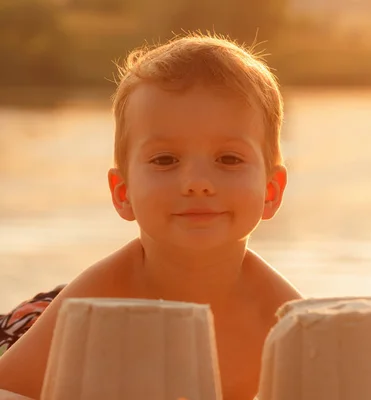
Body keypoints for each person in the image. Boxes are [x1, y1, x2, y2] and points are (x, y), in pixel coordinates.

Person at [0, 33, 302, 400]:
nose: (197, 183)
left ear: (271, 191)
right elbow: (9, 385)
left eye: (229, 159)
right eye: (165, 160)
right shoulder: (97, 298)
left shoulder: (282, 319)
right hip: (27, 329)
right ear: (123, 193)